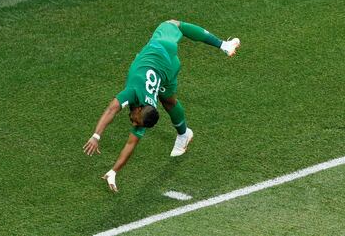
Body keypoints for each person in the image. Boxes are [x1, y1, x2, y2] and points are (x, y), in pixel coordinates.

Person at [83, 19, 240, 192]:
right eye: (137, 122)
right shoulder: (135, 95)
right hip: (164, 58)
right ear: (141, 109)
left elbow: (124, 131)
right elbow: (116, 118)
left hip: (165, 59)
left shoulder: (141, 106)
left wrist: (110, 162)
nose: (134, 123)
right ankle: (223, 45)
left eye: (136, 123)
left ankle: (224, 45)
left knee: (169, 99)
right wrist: (99, 144)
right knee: (169, 99)